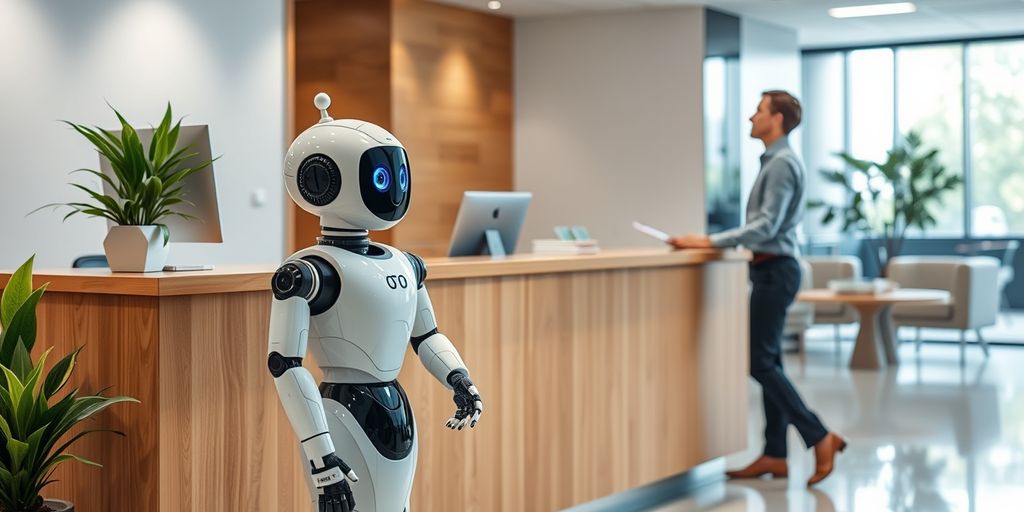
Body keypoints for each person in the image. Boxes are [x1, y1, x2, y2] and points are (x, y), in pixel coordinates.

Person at [669, 90, 845, 486]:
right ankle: (775, 454)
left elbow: (766, 226)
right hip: (769, 270)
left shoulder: (781, 164)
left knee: (758, 361)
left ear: (777, 119)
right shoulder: (775, 162)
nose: (751, 117)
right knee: (769, 361)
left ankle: (819, 435)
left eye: (759, 111)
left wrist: (709, 240)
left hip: (776, 270)